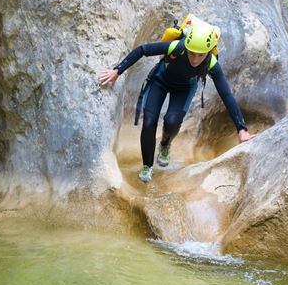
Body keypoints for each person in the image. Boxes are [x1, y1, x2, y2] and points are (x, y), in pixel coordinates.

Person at [99, 21, 255, 183]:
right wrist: (117, 70)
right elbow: (143, 50)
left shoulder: (211, 64)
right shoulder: (177, 47)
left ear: (208, 52)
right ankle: (147, 166)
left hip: (185, 89)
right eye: (191, 53)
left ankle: (165, 146)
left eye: (200, 55)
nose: (195, 59)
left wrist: (242, 130)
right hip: (160, 81)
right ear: (187, 47)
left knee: (172, 121)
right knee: (149, 122)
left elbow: (226, 95)